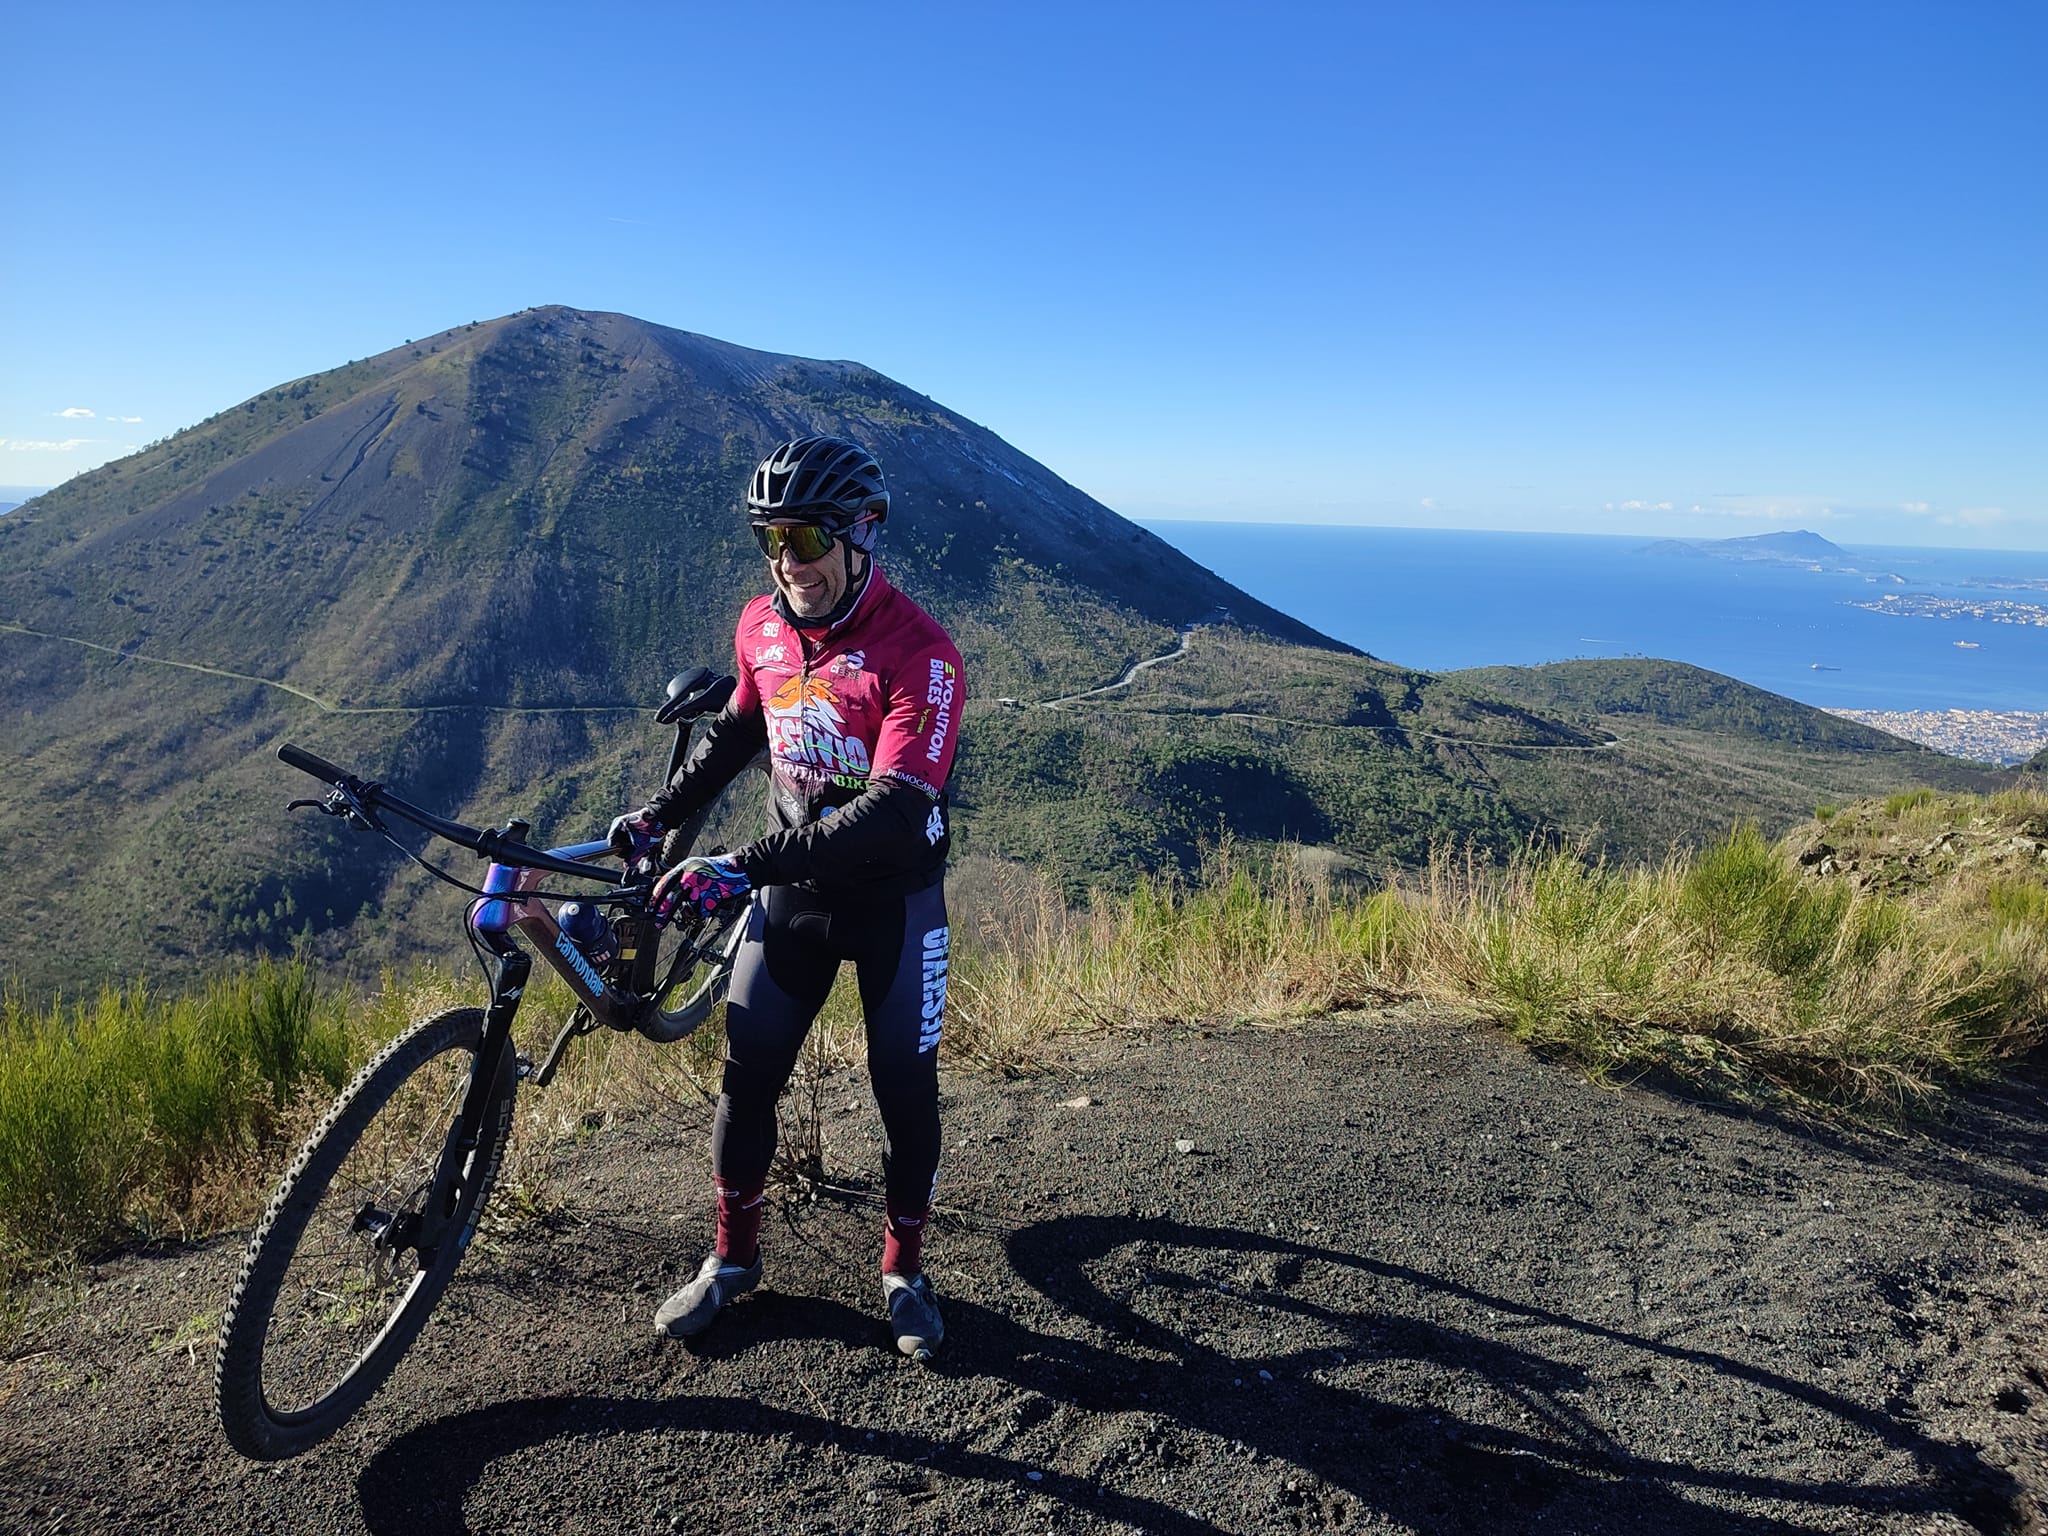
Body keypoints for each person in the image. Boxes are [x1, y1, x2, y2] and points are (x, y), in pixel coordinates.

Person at [611, 435, 964, 1360]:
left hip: (893, 901)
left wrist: (739, 864)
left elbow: (893, 813)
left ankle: (905, 1270)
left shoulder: (921, 654)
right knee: (746, 1078)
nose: (786, 561)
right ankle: (731, 1262)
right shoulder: (760, 628)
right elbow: (733, 738)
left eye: (805, 540)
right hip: (791, 899)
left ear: (860, 535)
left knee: (904, 1092)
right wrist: (659, 816)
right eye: (771, 539)